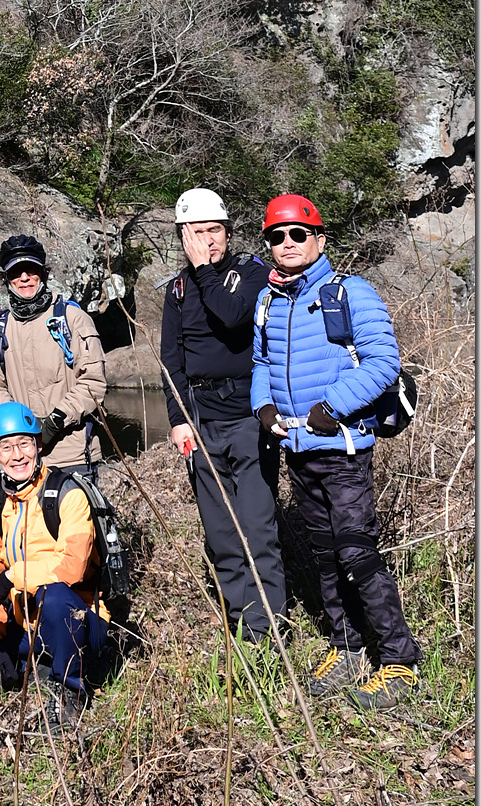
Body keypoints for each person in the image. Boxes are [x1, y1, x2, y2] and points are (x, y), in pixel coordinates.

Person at [252, 194, 421, 709]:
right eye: (276, 236)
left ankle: (399, 661)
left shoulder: (350, 292)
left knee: (356, 552)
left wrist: (332, 407)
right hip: (298, 449)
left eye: (297, 234)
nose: (287, 244)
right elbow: (261, 363)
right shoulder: (267, 301)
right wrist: (263, 408)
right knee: (326, 555)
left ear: (319, 240)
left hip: (343, 448)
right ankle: (347, 645)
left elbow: (383, 363)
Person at [159, 188, 286, 642]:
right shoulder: (176, 290)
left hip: (248, 419)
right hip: (201, 421)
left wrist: (205, 271)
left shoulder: (252, 273)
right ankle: (244, 626)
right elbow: (170, 359)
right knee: (222, 536)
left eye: (213, 231)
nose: (206, 241)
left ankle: (271, 630)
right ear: (181, 236)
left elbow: (233, 317)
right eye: (195, 233)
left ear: (228, 233)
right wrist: (177, 418)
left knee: (257, 528)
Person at [0, 403, 108, 718]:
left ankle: (71, 690)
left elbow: (71, 567)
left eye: (24, 443)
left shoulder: (67, 493)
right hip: (25, 619)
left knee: (54, 596)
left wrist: (11, 578)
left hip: (80, 617)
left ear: (39, 445)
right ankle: (26, 664)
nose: (17, 455)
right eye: (5, 447)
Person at [0, 235, 106, 471]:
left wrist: (55, 421)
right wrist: (22, 427)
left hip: (74, 457)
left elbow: (93, 381)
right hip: (20, 462)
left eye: (31, 269)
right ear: (7, 279)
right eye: (16, 272)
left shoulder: (74, 319)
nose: (25, 277)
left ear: (44, 274)